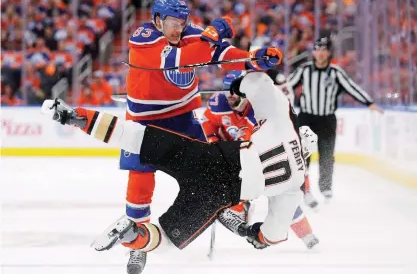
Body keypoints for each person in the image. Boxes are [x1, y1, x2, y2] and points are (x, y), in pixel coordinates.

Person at [41, 71, 318, 258]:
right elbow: (273, 234)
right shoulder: (294, 186)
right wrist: (255, 234)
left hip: (212, 159)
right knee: (167, 241)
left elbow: (260, 84)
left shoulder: (284, 125)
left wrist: (239, 84)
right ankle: (133, 234)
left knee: (136, 137)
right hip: (220, 194)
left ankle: (75, 117)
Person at [117, 0, 282, 273]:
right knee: (140, 184)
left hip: (182, 118)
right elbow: (183, 58)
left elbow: (219, 54)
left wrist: (252, 59)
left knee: (209, 171)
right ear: (157, 20)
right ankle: (137, 245)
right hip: (145, 122)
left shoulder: (193, 35)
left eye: (183, 22)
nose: (178, 28)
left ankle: (220, 210)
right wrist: (213, 34)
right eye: (172, 22)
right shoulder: (143, 37)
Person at [202, 71, 319, 249]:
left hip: (255, 160)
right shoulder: (218, 103)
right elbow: (207, 125)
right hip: (232, 158)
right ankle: (243, 218)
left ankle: (307, 234)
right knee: (230, 198)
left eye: (234, 92)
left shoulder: (262, 111)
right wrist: (214, 144)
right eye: (227, 92)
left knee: (282, 193)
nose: (230, 97)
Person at [283, 37, 384, 208]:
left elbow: (352, 88)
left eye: (324, 50)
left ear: (329, 53)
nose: (320, 53)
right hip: (306, 118)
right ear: (313, 52)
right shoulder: (304, 70)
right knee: (303, 155)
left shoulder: (336, 72)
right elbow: (286, 87)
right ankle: (304, 188)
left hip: (327, 119)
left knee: (327, 154)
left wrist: (369, 103)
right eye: (317, 49)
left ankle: (325, 187)